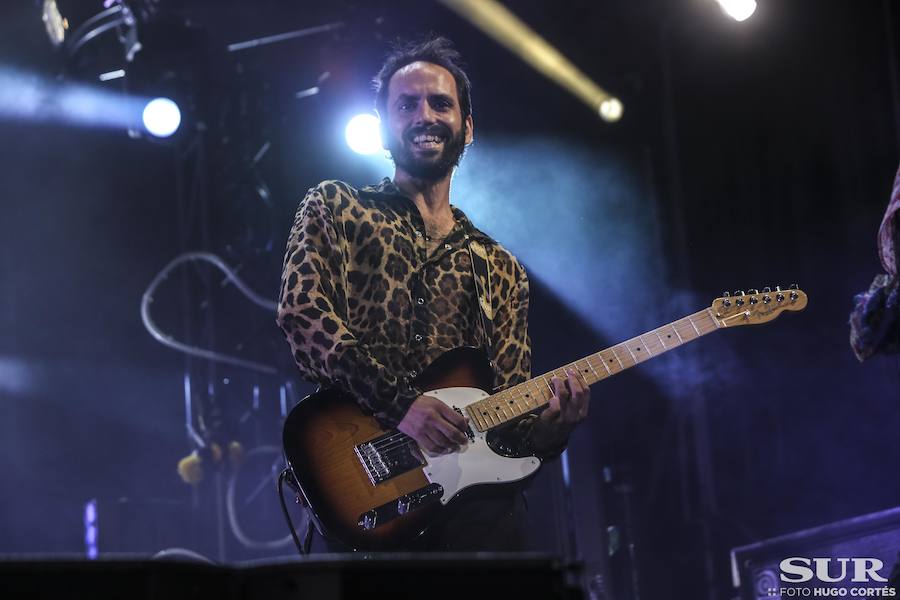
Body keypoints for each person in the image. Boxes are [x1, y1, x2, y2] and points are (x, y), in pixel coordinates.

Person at [276, 36, 590, 551]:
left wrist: (553, 431)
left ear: (468, 128)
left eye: (441, 103)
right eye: (407, 104)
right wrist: (402, 405)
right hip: (364, 496)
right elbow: (302, 317)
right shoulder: (336, 208)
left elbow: (512, 428)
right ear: (383, 127)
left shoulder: (500, 268)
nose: (425, 115)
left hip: (475, 518)